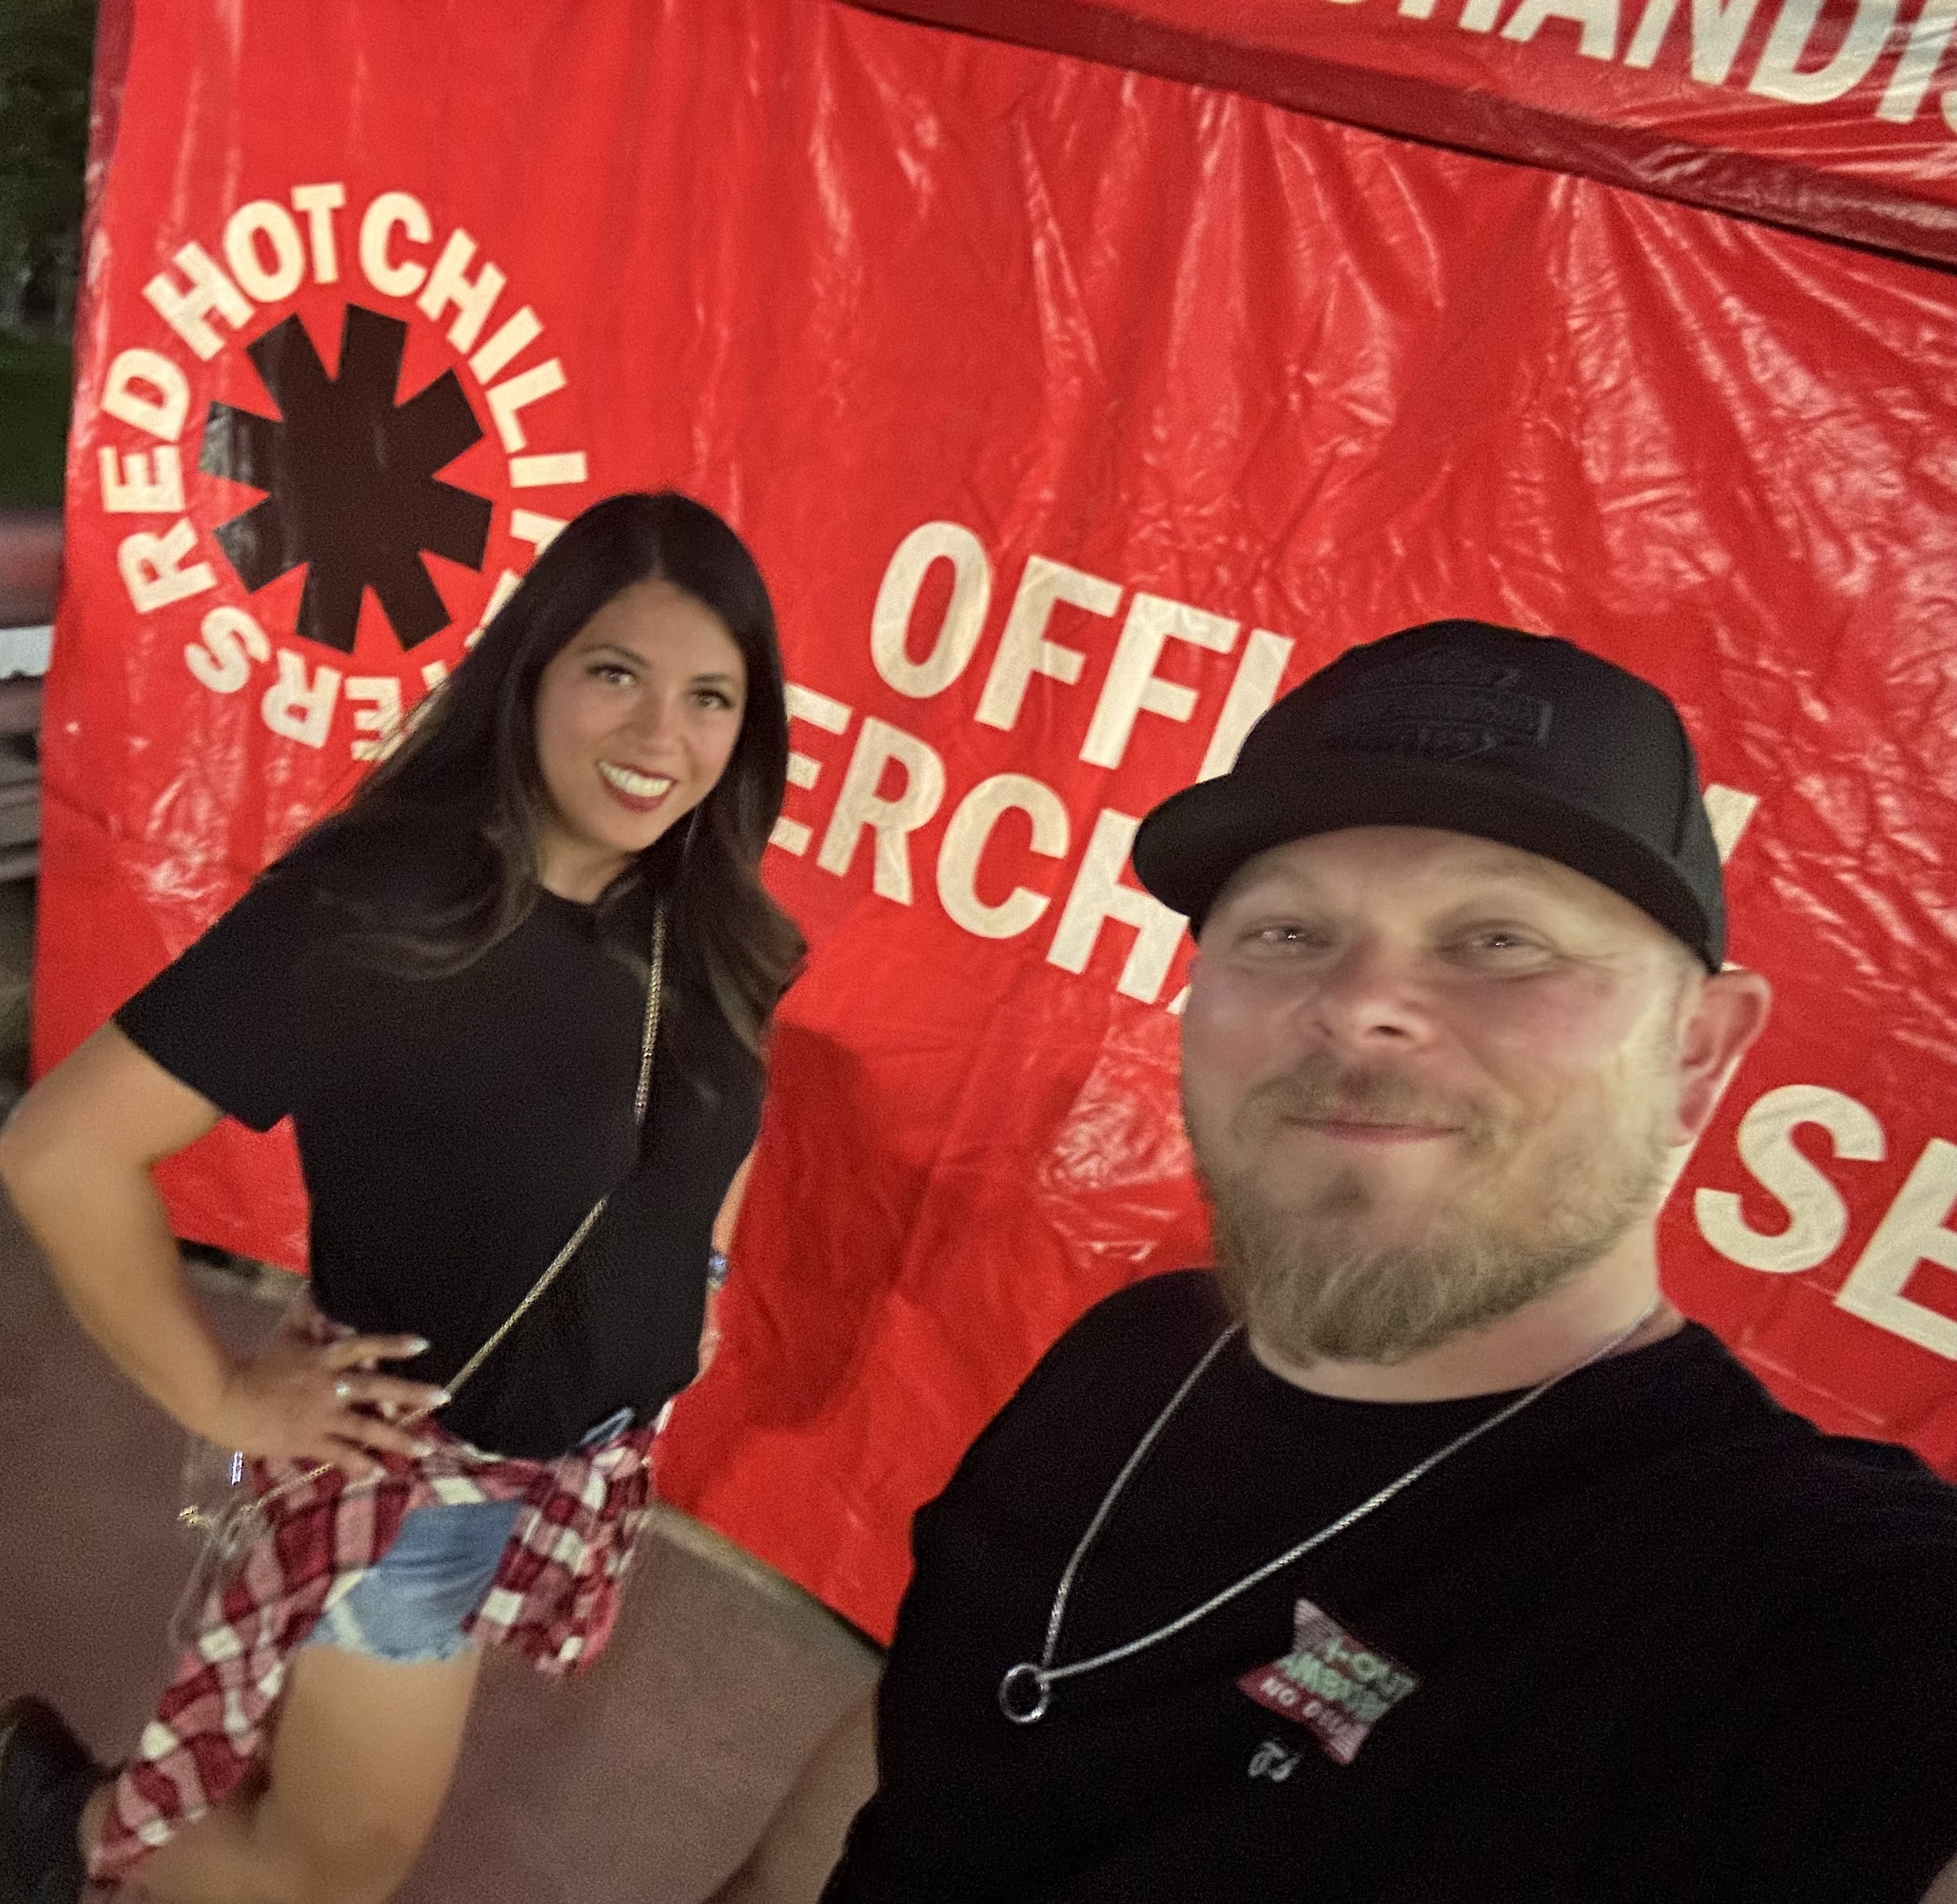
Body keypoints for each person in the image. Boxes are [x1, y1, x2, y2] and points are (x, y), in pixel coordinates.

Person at [714, 620, 1957, 1904]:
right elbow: (920, 1742)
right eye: (1290, 932)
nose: (1361, 1005)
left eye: (1500, 940)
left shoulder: (1798, 1606)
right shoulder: (1130, 1356)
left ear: (1698, 1051)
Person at [0, 490, 805, 1904]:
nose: (660, 738)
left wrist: (705, 1284)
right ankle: (57, 1839)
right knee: (334, 1868)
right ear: (533, 671)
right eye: (616, 674)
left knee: (298, 1790)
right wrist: (224, 1396)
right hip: (418, 1477)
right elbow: (59, 1153)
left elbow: (717, 1121)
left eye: (710, 698)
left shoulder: (710, 920)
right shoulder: (381, 913)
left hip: (581, 1467)